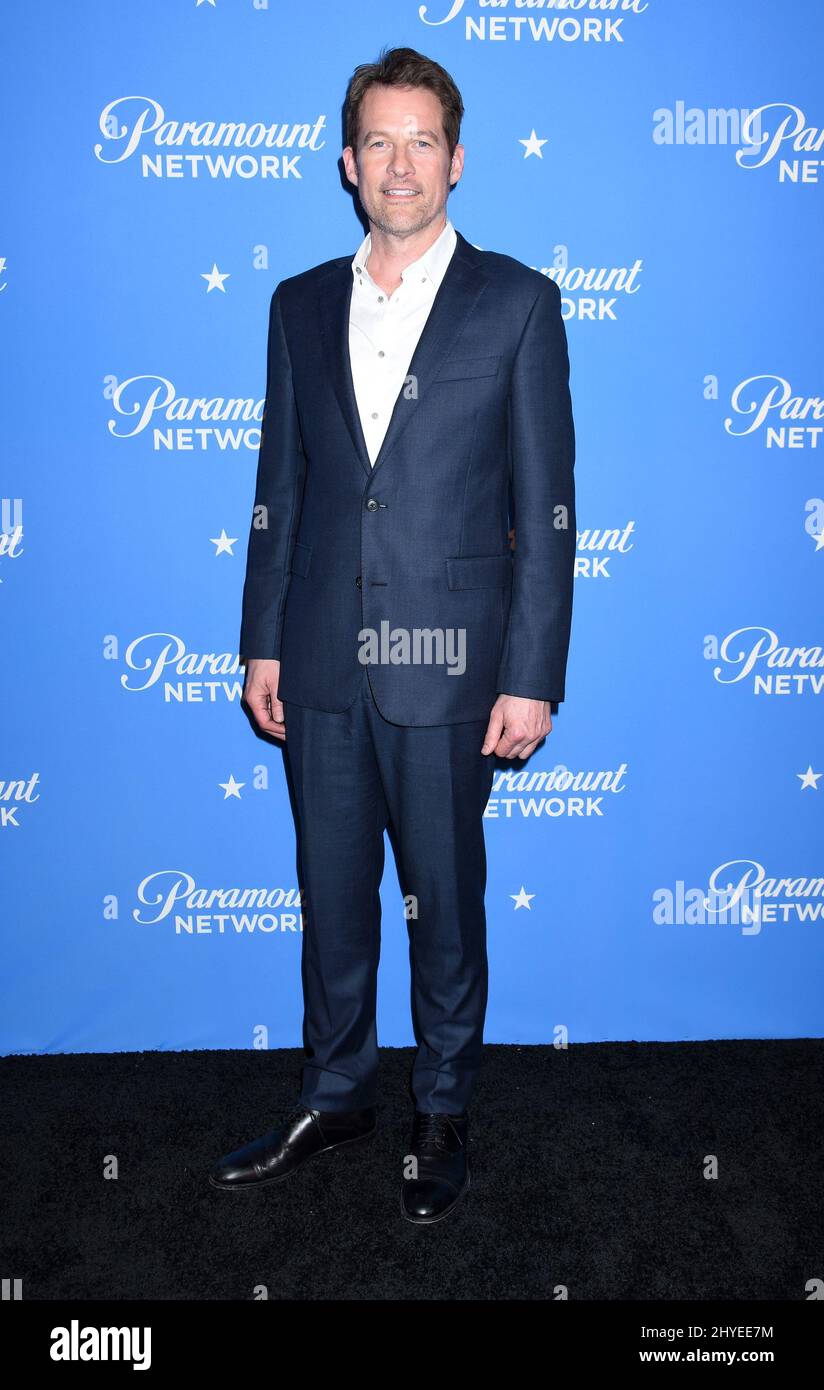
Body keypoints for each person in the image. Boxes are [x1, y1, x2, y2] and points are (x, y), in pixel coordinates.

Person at [209, 45, 576, 1224]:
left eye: (422, 140)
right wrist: (261, 638)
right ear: (347, 163)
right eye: (379, 141)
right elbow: (284, 484)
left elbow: (546, 509)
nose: (400, 162)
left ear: (456, 160)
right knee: (330, 894)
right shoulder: (299, 304)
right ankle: (337, 1091)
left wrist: (530, 673)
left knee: (442, 897)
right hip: (315, 657)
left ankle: (442, 1105)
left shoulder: (516, 301)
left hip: (454, 667)